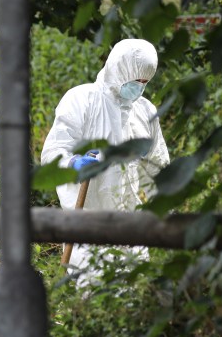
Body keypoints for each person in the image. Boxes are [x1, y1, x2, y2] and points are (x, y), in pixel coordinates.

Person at [40, 38, 169, 282]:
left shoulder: (145, 111)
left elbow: (159, 165)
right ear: (119, 70)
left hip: (132, 228)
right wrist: (73, 163)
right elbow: (52, 152)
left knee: (138, 296)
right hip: (87, 227)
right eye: (134, 80)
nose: (139, 87)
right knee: (94, 296)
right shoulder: (81, 100)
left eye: (144, 82)